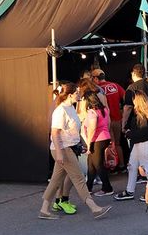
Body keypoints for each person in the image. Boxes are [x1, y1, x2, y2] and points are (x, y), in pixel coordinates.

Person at [38, 82, 112, 220]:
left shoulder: (70, 107)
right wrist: (60, 153)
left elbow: (73, 130)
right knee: (78, 178)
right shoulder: (61, 110)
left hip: (68, 147)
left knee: (56, 180)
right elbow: (54, 133)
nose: (79, 94)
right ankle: (94, 208)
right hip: (63, 149)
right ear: (70, 94)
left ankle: (44, 209)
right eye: (77, 92)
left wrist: (80, 143)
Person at [116, 91, 148, 201]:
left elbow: (143, 133)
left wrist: (129, 133)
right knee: (132, 166)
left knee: (147, 168)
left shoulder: (143, 116)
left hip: (144, 143)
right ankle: (130, 191)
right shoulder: (143, 114)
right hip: (141, 143)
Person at [92, 69, 126, 172]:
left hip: (104, 121)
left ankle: (108, 167)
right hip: (117, 119)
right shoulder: (115, 86)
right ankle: (121, 166)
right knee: (118, 144)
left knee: (104, 146)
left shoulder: (96, 89)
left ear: (96, 78)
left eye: (92, 77)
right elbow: (125, 97)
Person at [82, 92, 113, 196]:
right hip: (105, 137)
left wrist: (89, 144)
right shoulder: (104, 109)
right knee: (91, 164)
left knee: (98, 165)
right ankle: (88, 187)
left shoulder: (92, 112)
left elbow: (92, 128)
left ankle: (107, 188)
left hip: (97, 140)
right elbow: (108, 123)